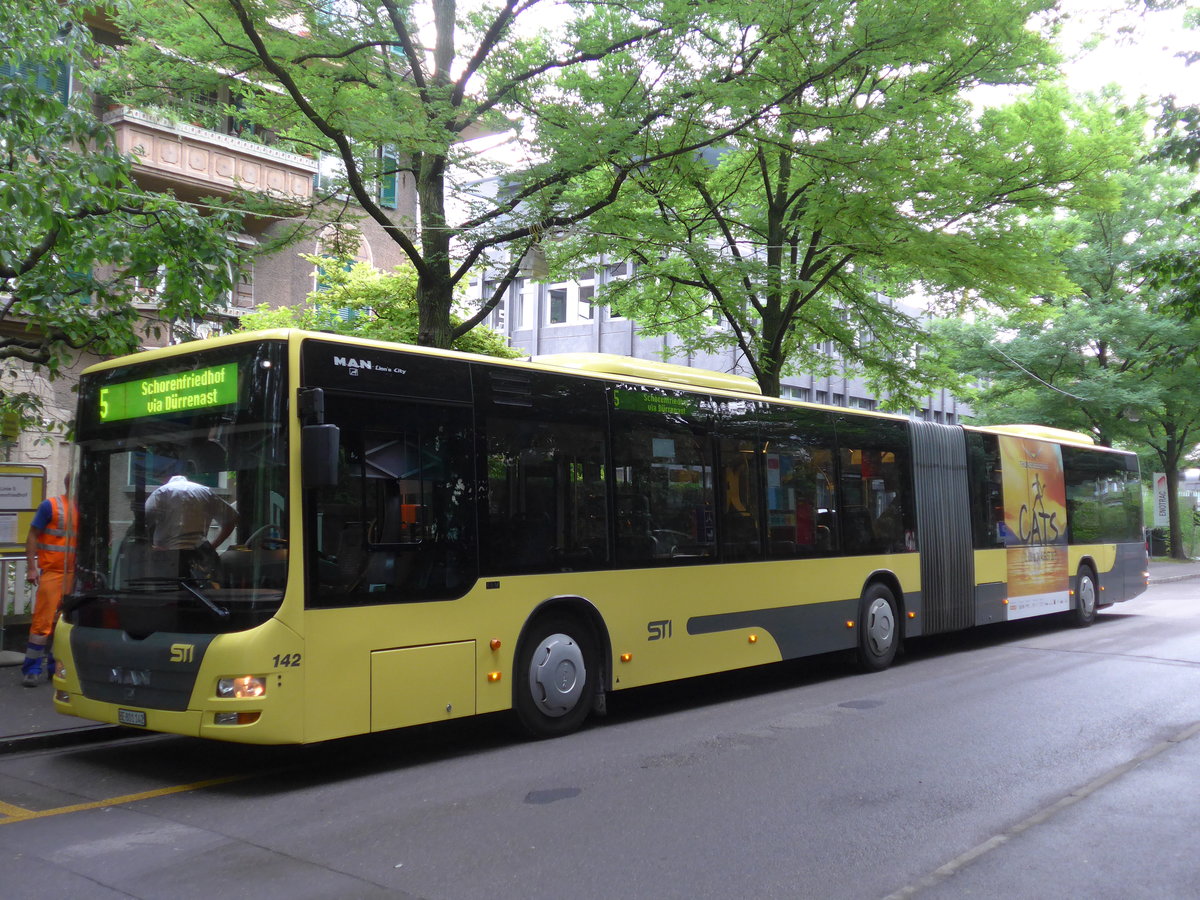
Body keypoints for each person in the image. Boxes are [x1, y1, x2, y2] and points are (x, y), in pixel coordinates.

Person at [22, 474, 76, 687]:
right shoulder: (51, 506)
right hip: (53, 572)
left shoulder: (88, 509)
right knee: (42, 623)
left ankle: (56, 668)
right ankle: (31, 669)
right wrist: (31, 568)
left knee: (65, 624)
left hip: (75, 574)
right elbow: (33, 535)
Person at [144, 464, 238, 583]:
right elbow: (231, 519)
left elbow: (142, 524)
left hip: (167, 556)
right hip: (200, 555)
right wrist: (213, 546)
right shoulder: (205, 492)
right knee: (201, 590)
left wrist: (151, 547)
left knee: (171, 590)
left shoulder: (160, 493)